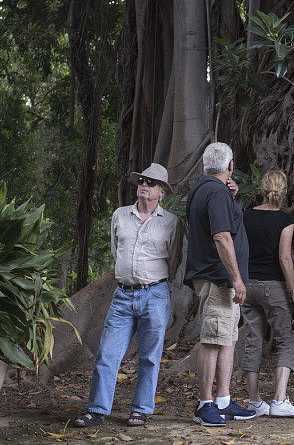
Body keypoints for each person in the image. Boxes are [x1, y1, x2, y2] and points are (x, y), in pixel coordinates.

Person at [73, 163, 182, 428]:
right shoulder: (120, 215)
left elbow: (175, 260)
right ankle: (96, 410)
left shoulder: (171, 222)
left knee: (149, 357)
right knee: (107, 354)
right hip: (122, 296)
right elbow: (116, 251)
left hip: (155, 296)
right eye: (142, 180)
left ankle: (140, 410)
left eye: (151, 183)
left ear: (162, 192)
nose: (144, 185)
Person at [184, 142, 255, 426]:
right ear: (231, 166)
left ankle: (223, 401)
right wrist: (236, 278)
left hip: (219, 279)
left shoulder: (206, 189)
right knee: (212, 341)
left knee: (227, 338)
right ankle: (204, 404)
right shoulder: (215, 192)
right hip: (218, 278)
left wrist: (230, 197)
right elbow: (222, 237)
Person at [240, 171, 294, 417]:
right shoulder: (284, 220)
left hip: (247, 286)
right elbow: (284, 258)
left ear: (261, 190)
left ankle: (254, 401)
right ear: (285, 192)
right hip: (273, 287)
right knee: (287, 340)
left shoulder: (246, 216)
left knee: (253, 340)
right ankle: (279, 400)